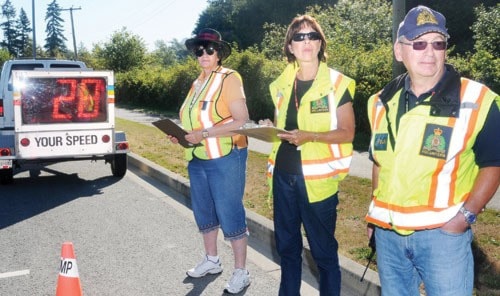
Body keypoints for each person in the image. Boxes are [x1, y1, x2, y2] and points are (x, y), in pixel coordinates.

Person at [365, 5, 500, 295]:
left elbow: (494, 164)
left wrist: (465, 218)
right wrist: (373, 216)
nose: (430, 52)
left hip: (443, 238)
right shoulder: (379, 101)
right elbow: (379, 163)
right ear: (399, 51)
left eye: (438, 43)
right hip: (388, 238)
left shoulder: (478, 99)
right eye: (419, 43)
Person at [262, 15, 356, 296]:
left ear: (320, 43)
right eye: (299, 37)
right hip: (283, 177)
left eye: (312, 36)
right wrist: (270, 129)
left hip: (318, 183)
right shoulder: (281, 84)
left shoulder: (337, 83)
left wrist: (309, 136)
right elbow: (285, 127)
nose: (306, 41)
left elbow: (348, 132)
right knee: (287, 249)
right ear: (289, 46)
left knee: (324, 253)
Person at [168, 28, 251, 294]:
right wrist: (182, 137)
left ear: (219, 54)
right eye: (199, 50)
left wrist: (202, 134)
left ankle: (241, 272)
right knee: (204, 211)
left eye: (210, 50)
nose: (204, 54)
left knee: (230, 212)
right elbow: (193, 120)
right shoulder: (197, 83)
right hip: (197, 157)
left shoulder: (229, 78)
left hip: (226, 156)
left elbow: (240, 121)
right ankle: (212, 261)